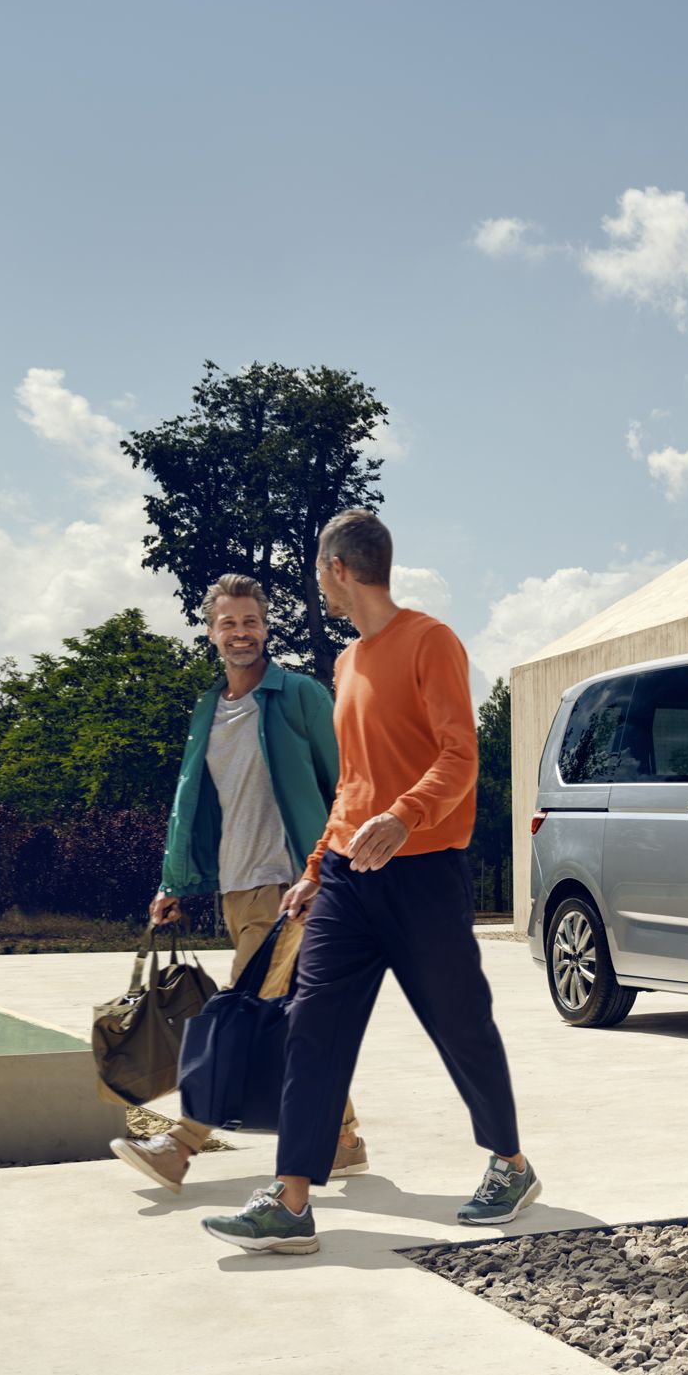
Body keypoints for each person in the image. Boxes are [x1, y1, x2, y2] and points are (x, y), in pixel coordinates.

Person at [201, 512, 537, 1255]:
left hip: (423, 876)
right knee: (312, 1023)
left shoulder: (430, 641)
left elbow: (459, 756)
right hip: (351, 879)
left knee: (458, 1022)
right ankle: (290, 1200)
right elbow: (352, 782)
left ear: (335, 570)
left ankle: (509, 1163)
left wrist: (404, 816)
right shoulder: (347, 664)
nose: (317, 582)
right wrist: (320, 865)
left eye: (318, 570)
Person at [110, 573, 367, 1193]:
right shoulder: (208, 708)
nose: (241, 632)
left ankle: (181, 1144)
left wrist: (329, 867)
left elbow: (348, 779)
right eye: (228, 623)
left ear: (265, 628)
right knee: (293, 1019)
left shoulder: (299, 695)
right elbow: (189, 801)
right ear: (211, 632)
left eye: (251, 621)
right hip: (236, 886)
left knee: (238, 1015)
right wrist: (174, 880)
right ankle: (344, 1139)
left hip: (291, 886)